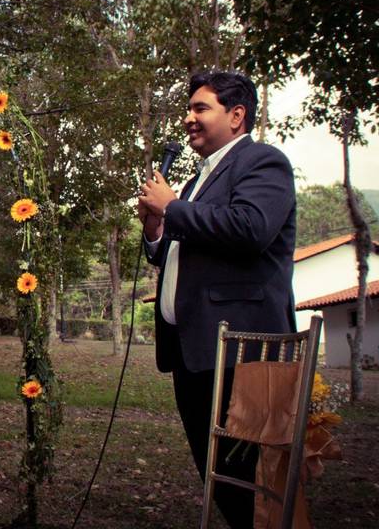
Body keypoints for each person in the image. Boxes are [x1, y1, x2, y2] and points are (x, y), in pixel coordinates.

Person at [137, 70, 297, 529]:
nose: (188, 118)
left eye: (200, 108)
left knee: (251, 481)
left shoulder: (263, 161)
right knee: (220, 478)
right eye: (188, 109)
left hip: (240, 353)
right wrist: (155, 231)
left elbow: (252, 229)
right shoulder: (197, 180)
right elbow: (180, 252)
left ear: (237, 114)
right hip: (193, 351)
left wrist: (174, 208)